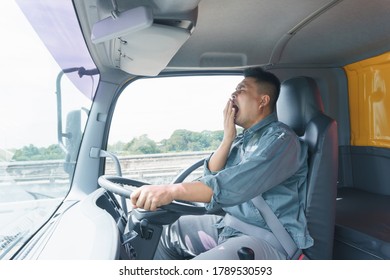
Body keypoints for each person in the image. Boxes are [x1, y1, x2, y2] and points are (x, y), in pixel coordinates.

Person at [130, 67, 313, 260]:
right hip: (230, 225)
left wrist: (171, 190)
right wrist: (227, 138)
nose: (232, 96)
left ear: (263, 101)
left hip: (267, 239)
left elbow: (232, 186)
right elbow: (211, 179)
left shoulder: (281, 140)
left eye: (241, 90)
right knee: (167, 233)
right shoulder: (242, 141)